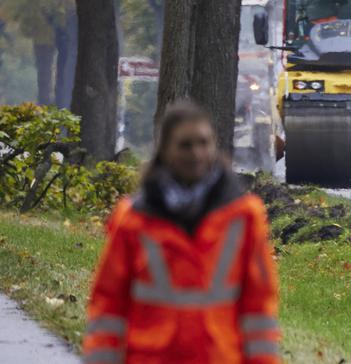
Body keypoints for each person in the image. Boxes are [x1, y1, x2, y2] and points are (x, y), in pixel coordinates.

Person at [83, 101, 280, 364]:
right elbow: (109, 304)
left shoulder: (243, 217)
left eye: (203, 142)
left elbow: (258, 308)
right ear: (165, 150)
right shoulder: (133, 219)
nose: (196, 153)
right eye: (185, 145)